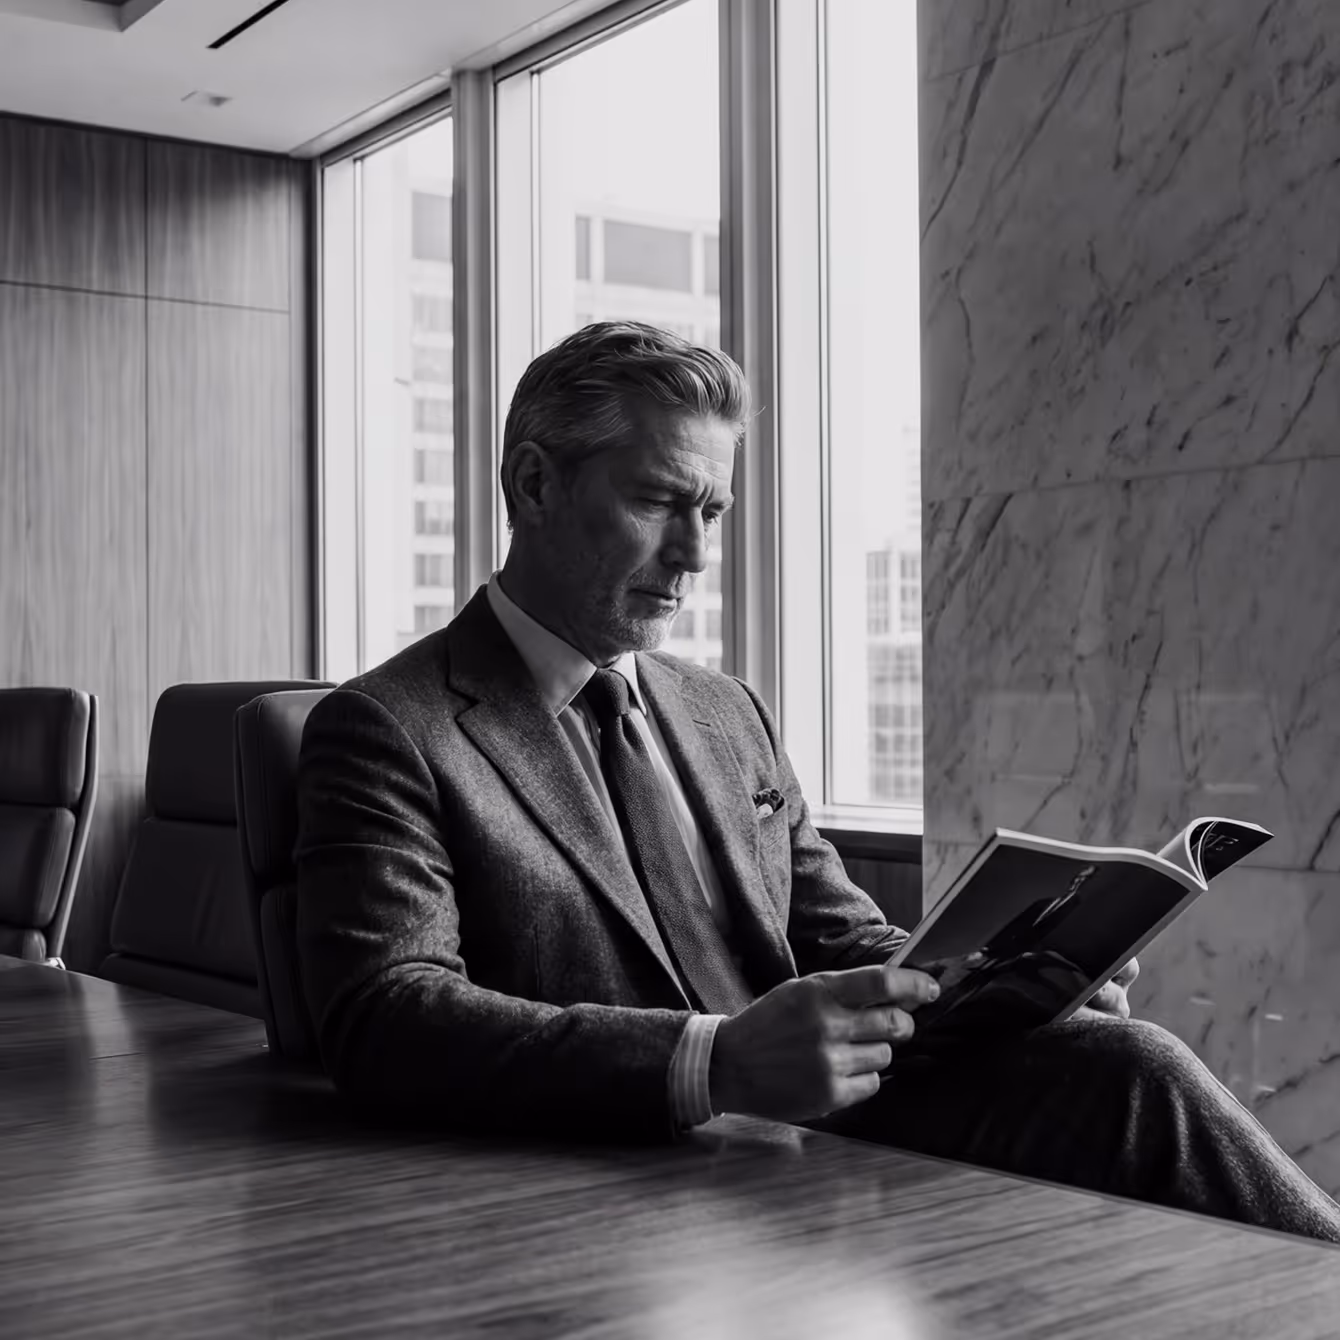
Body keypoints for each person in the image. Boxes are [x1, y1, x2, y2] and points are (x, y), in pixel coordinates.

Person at [295, 321, 1340, 1242]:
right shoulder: (389, 726)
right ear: (533, 482)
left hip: (833, 1105)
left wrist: (1007, 979)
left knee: (1130, 1061)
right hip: (636, 1149)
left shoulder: (723, 711)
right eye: (660, 501)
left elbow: (840, 938)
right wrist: (713, 1059)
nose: (695, 553)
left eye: (713, 509)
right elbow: (384, 1016)